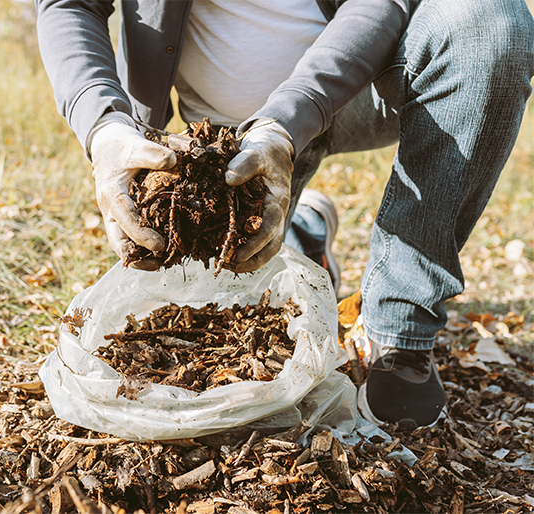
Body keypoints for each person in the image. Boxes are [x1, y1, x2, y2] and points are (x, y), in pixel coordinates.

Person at [35, 0, 534, 430]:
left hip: (365, 87)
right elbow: (70, 5)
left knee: (490, 24)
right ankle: (304, 232)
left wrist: (289, 119)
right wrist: (103, 127)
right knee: (216, 299)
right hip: (222, 141)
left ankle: (399, 330)